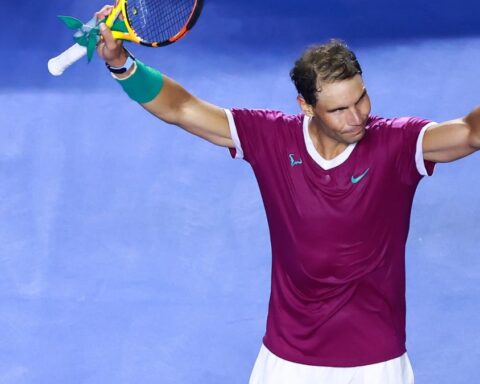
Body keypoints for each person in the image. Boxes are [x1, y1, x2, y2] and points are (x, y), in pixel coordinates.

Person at [94, 6, 480, 384]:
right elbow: (181, 108)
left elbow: (469, 133)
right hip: (288, 358)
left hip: (375, 361)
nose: (357, 116)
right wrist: (121, 64)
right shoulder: (271, 138)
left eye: (361, 99)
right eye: (339, 109)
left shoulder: (397, 143)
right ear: (307, 107)